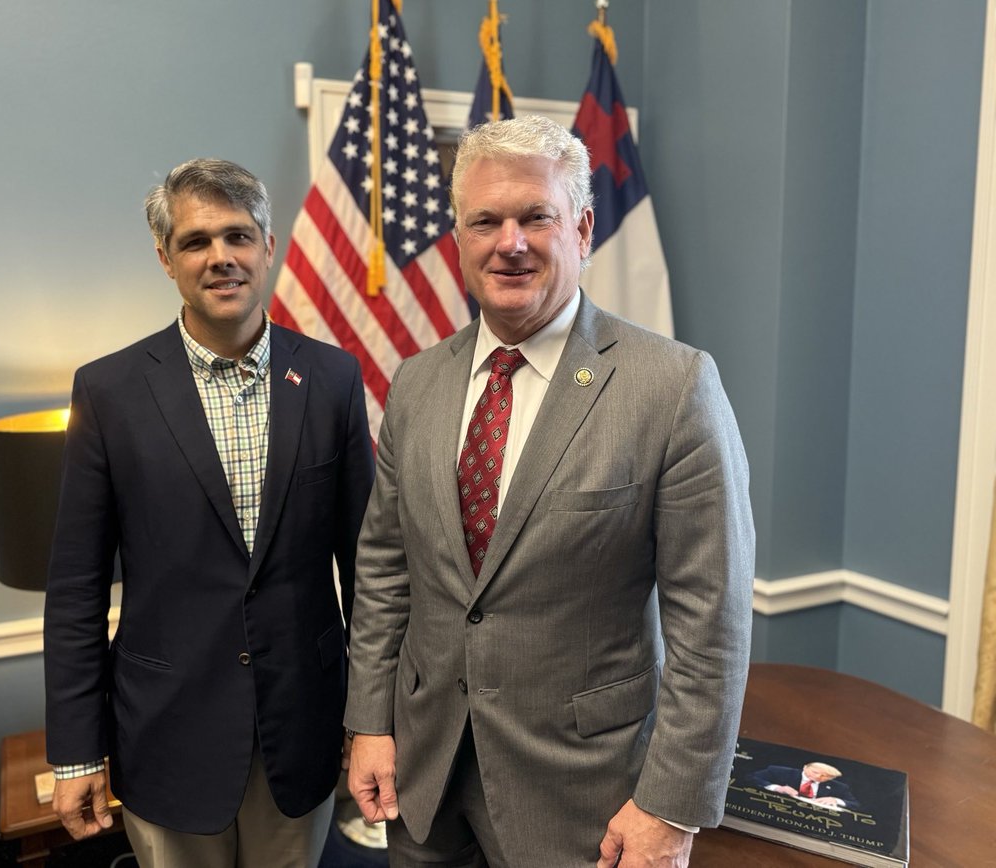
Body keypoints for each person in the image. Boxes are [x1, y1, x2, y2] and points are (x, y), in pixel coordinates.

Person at [344, 115, 755, 868]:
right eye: (486, 221)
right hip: (426, 778)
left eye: (536, 216)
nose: (511, 242)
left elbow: (712, 625)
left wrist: (672, 805)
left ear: (583, 228)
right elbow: (385, 571)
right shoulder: (416, 382)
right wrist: (370, 721)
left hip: (585, 798)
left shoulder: (673, 387)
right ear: (459, 236)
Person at [43, 158, 374, 868]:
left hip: (303, 731)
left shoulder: (333, 378)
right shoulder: (108, 392)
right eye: (196, 242)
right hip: (167, 734)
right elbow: (75, 588)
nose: (221, 257)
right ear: (165, 258)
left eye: (237, 235)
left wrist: (373, 716)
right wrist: (75, 752)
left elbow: (370, 572)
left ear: (268, 246)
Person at [752, 762, 860, 810]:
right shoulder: (780, 771)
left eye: (826, 776)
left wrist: (836, 800)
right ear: (805, 767)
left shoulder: (840, 787)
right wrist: (777, 788)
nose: (819, 777)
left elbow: (855, 804)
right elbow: (752, 777)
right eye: (815, 772)